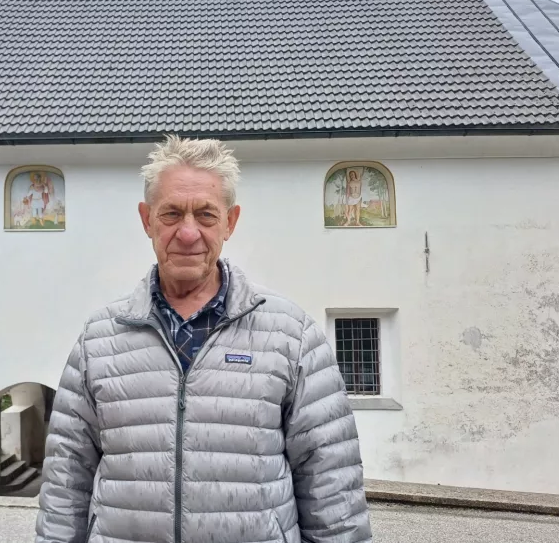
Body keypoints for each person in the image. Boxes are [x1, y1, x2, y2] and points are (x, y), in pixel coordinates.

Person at [35, 135, 372, 543]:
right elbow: (65, 485)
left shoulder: (291, 336)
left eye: (207, 215)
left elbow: (332, 488)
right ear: (147, 220)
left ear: (230, 222)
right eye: (171, 213)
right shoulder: (100, 340)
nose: (188, 233)